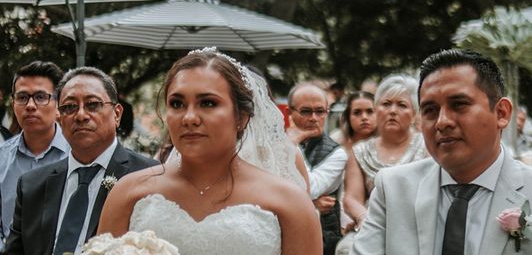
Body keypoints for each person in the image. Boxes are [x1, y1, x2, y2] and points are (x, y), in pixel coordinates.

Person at [352, 48, 532, 255]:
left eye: (459, 105)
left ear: (502, 113)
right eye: (430, 110)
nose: (442, 122)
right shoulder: (392, 189)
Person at [98, 48, 321, 255]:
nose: (189, 118)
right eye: (177, 104)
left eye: (208, 103)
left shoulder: (290, 202)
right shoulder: (128, 192)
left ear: (242, 117)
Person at [5, 66, 157, 255]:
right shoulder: (32, 185)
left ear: (117, 114)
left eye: (93, 104)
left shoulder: (150, 177)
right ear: (60, 118)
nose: (81, 115)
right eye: (69, 107)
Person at [337, 75, 426, 255]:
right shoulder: (360, 151)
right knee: (345, 249)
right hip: (372, 224)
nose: (392, 111)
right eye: (386, 104)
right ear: (376, 109)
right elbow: (352, 198)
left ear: (414, 113)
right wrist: (365, 219)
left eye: (402, 105)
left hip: (417, 226)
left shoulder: (427, 146)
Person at [0, 61, 70, 250]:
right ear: (13, 103)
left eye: (40, 97)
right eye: (22, 97)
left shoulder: (79, 156)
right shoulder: (2, 159)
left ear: (59, 104)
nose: (30, 105)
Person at [287, 82, 347, 255]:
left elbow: (309, 188)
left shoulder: (337, 153)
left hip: (320, 238)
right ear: (289, 113)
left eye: (320, 111)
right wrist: (312, 205)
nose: (313, 118)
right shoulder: (274, 144)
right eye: (306, 111)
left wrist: (293, 145)